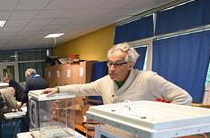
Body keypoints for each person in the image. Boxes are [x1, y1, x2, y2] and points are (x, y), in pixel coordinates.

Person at [43, 43, 192, 105]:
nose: (112, 68)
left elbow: (184, 98)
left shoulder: (148, 79)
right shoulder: (106, 81)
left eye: (117, 64)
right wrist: (58, 90)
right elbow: (82, 88)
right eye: (110, 63)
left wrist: (157, 120)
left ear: (130, 65)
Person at [20, 68, 49, 133]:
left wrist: (21, 103)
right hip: (43, 107)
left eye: (26, 77)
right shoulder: (44, 81)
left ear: (28, 74)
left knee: (30, 124)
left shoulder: (29, 81)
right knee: (41, 125)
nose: (27, 78)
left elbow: (25, 95)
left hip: (32, 107)